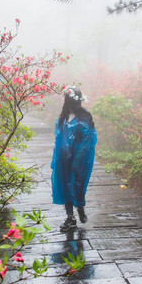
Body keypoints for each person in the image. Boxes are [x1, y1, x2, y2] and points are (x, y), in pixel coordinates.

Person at [51, 86, 97, 232]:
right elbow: (58, 140)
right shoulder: (63, 117)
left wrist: (77, 161)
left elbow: (87, 141)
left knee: (77, 187)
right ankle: (70, 217)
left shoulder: (84, 118)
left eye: (66, 97)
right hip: (63, 161)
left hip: (78, 161)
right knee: (65, 188)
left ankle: (81, 207)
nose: (64, 100)